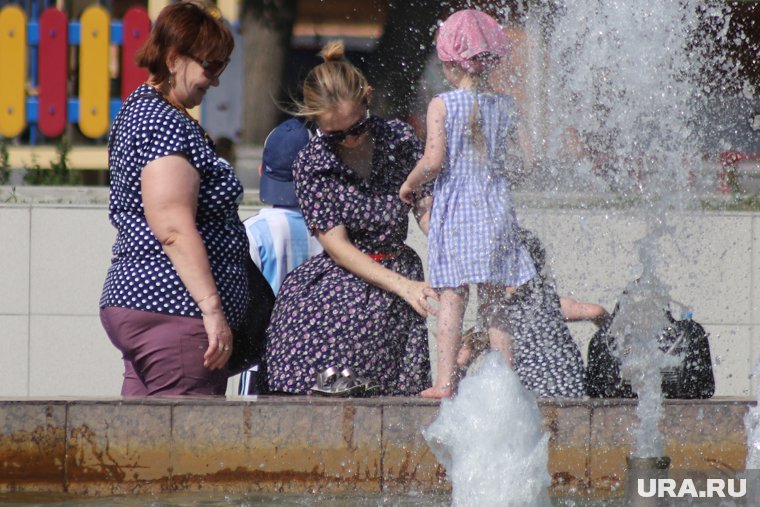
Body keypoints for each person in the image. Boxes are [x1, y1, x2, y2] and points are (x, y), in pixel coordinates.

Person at [264, 40, 438, 397]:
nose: (351, 140)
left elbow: (426, 208)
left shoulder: (399, 139)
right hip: (341, 282)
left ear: (368, 97)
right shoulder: (312, 162)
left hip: (397, 273)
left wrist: (448, 243)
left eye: (358, 126)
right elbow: (338, 247)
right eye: (337, 134)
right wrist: (403, 286)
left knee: (392, 401)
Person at [99, 0, 245, 396]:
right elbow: (174, 228)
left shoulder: (151, 111)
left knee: (138, 451)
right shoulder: (162, 122)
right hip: (174, 310)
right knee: (187, 451)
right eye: (210, 66)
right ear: (174, 58)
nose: (214, 81)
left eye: (222, 67)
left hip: (155, 307)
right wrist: (212, 309)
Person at [400, 9, 536, 399]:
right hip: (495, 209)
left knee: (453, 299)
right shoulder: (506, 104)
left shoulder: (442, 105)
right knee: (495, 302)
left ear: (448, 63)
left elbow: (434, 161)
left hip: (457, 212)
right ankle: (507, 381)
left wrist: (408, 185)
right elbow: (528, 162)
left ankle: (445, 382)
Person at [457, 228, 610, 397]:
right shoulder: (547, 300)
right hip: (571, 387)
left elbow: (464, 358)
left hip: (529, 396)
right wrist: (610, 339)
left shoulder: (496, 315)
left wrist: (455, 384)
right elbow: (597, 311)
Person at [238, 118, 323, 395]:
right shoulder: (333, 235)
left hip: (260, 363)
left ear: (263, 171)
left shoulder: (252, 232)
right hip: (317, 362)